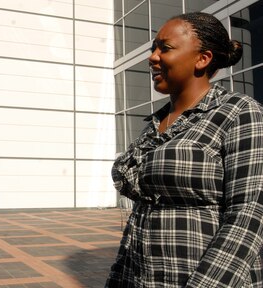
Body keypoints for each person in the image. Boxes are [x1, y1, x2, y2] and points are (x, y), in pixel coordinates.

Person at [106, 12, 263, 287]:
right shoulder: (155, 124)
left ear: (202, 58)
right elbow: (139, 218)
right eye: (154, 48)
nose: (152, 57)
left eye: (164, 48)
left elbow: (249, 213)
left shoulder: (239, 112)